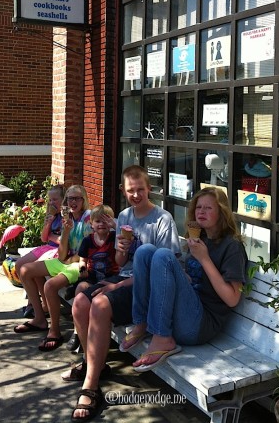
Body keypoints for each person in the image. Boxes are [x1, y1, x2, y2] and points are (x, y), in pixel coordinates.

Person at [63, 165, 181, 423]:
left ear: (150, 189)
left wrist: (115, 286)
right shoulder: (125, 216)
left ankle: (91, 386)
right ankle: (93, 362)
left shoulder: (163, 220)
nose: (136, 195)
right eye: (131, 191)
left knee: (101, 304)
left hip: (146, 288)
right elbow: (120, 261)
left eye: (141, 189)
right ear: (123, 191)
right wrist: (122, 249)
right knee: (80, 301)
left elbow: (164, 271)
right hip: (124, 277)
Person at [121, 186, 248, 373]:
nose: (201, 212)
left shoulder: (232, 247)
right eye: (198, 207)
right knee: (145, 251)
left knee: (164, 255)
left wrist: (204, 258)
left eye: (208, 208)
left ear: (222, 212)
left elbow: (232, 298)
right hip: (182, 312)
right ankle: (141, 323)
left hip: (199, 326)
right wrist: (180, 275)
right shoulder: (199, 238)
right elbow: (194, 281)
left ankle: (163, 339)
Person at [13, 185, 91, 353]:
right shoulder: (68, 218)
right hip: (66, 260)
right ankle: (40, 318)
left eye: (77, 198)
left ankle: (54, 331)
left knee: (49, 285)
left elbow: (89, 250)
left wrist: (71, 258)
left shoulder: (87, 218)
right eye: (70, 199)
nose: (73, 202)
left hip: (81, 263)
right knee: (25, 270)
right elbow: (62, 255)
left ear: (84, 200)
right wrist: (67, 231)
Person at [66, 204, 119, 353]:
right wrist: (82, 269)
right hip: (92, 275)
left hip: (110, 277)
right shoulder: (88, 241)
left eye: (105, 221)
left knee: (98, 297)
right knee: (80, 288)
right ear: (92, 224)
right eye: (98, 221)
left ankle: (92, 334)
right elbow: (83, 260)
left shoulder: (114, 238)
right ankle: (77, 331)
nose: (101, 224)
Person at [14, 184, 65, 317]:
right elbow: (43, 238)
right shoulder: (51, 215)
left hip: (59, 250)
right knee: (19, 264)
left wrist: (51, 236)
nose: (52, 203)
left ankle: (44, 305)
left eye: (55, 199)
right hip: (47, 247)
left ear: (63, 200)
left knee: (34, 269)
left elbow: (64, 241)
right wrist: (48, 222)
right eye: (50, 200)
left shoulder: (66, 217)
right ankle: (33, 302)